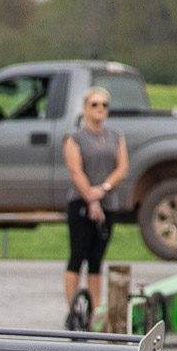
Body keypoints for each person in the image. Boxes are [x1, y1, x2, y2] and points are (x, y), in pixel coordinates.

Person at [62, 86, 127, 323]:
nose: (100, 109)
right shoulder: (75, 137)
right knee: (78, 254)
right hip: (81, 201)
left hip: (107, 202)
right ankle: (74, 310)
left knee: (97, 258)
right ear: (85, 109)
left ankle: (96, 310)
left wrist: (104, 190)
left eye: (104, 105)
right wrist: (90, 196)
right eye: (95, 105)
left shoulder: (115, 135)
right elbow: (75, 170)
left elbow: (122, 168)